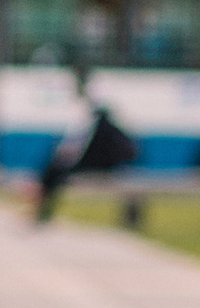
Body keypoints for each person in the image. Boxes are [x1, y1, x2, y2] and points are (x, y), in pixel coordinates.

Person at [34, 72, 138, 222]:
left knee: (53, 170)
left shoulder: (102, 129)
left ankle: (42, 210)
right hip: (100, 163)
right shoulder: (102, 126)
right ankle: (42, 209)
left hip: (102, 165)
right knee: (53, 169)